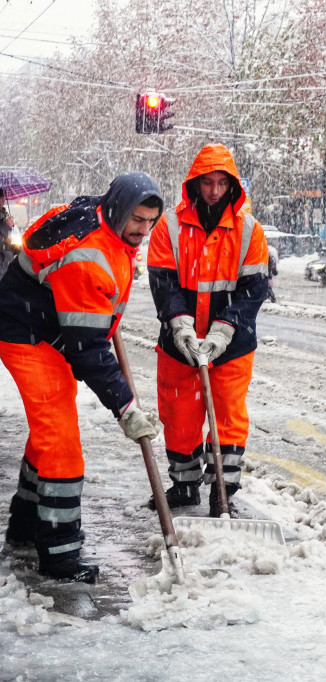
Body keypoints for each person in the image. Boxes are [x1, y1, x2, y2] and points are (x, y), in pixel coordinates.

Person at [0, 172, 163, 583]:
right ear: (119, 209)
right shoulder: (89, 254)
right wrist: (126, 408)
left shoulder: (100, 219)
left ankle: (23, 529)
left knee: (49, 431)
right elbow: (88, 349)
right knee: (62, 442)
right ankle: (59, 555)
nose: (143, 230)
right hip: (28, 335)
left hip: (44, 329)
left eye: (150, 221)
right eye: (137, 220)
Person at [147, 143, 269, 518]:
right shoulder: (169, 227)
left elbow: (253, 290)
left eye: (221, 183)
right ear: (195, 183)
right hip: (178, 344)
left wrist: (224, 329)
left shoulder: (249, 231)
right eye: (208, 183)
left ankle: (222, 489)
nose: (214, 191)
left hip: (231, 346)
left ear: (232, 186)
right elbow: (163, 283)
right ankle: (184, 487)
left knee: (229, 416)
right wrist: (181, 325)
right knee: (179, 415)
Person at [0, 189, 16, 279]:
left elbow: (8, 239)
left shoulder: (4, 215)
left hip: (6, 263)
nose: (3, 200)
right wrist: (6, 226)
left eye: (3, 198)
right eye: (0, 198)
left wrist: (11, 227)